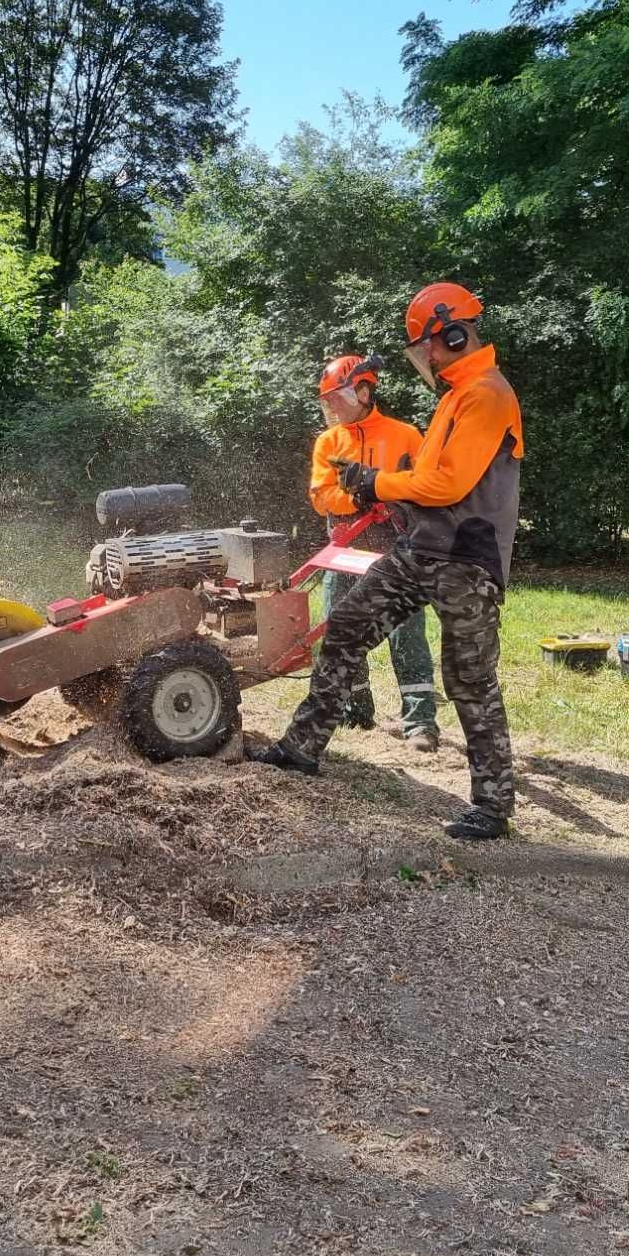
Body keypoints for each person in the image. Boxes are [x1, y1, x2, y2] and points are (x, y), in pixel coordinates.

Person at [251, 283, 524, 841]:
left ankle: (493, 806)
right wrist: (378, 490)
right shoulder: (454, 395)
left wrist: (378, 480)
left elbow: (447, 482)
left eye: (427, 347)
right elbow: (423, 484)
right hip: (421, 547)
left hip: (468, 558)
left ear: (451, 333)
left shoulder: (486, 395)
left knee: (469, 678)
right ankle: (302, 747)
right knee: (347, 629)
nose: (425, 359)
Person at [306, 353, 440, 751]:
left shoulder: (405, 435)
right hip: (345, 547)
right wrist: (358, 500)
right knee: (338, 626)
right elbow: (320, 496)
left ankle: (419, 722)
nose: (333, 408)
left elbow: (426, 486)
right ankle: (355, 706)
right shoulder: (329, 442)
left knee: (405, 630)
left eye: (338, 399)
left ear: (363, 390)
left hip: (396, 547)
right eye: (328, 402)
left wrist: (392, 491)